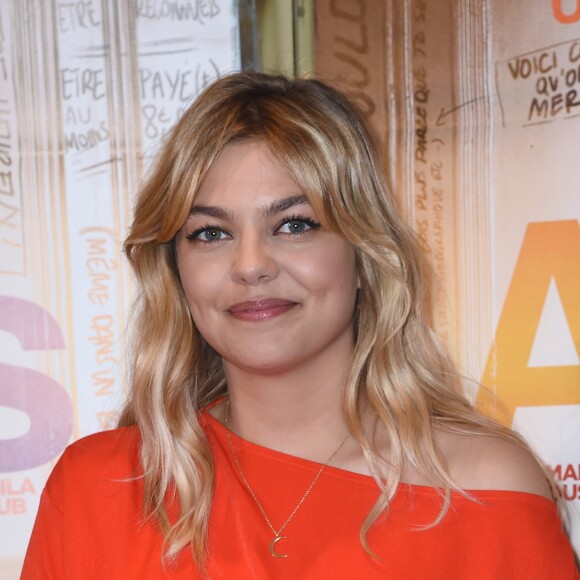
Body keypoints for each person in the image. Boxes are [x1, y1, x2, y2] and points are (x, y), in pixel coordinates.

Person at [22, 72, 578, 579]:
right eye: (211, 234)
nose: (251, 265)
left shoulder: (487, 491)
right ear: (176, 272)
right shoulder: (99, 488)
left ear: (364, 255)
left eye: (294, 224)